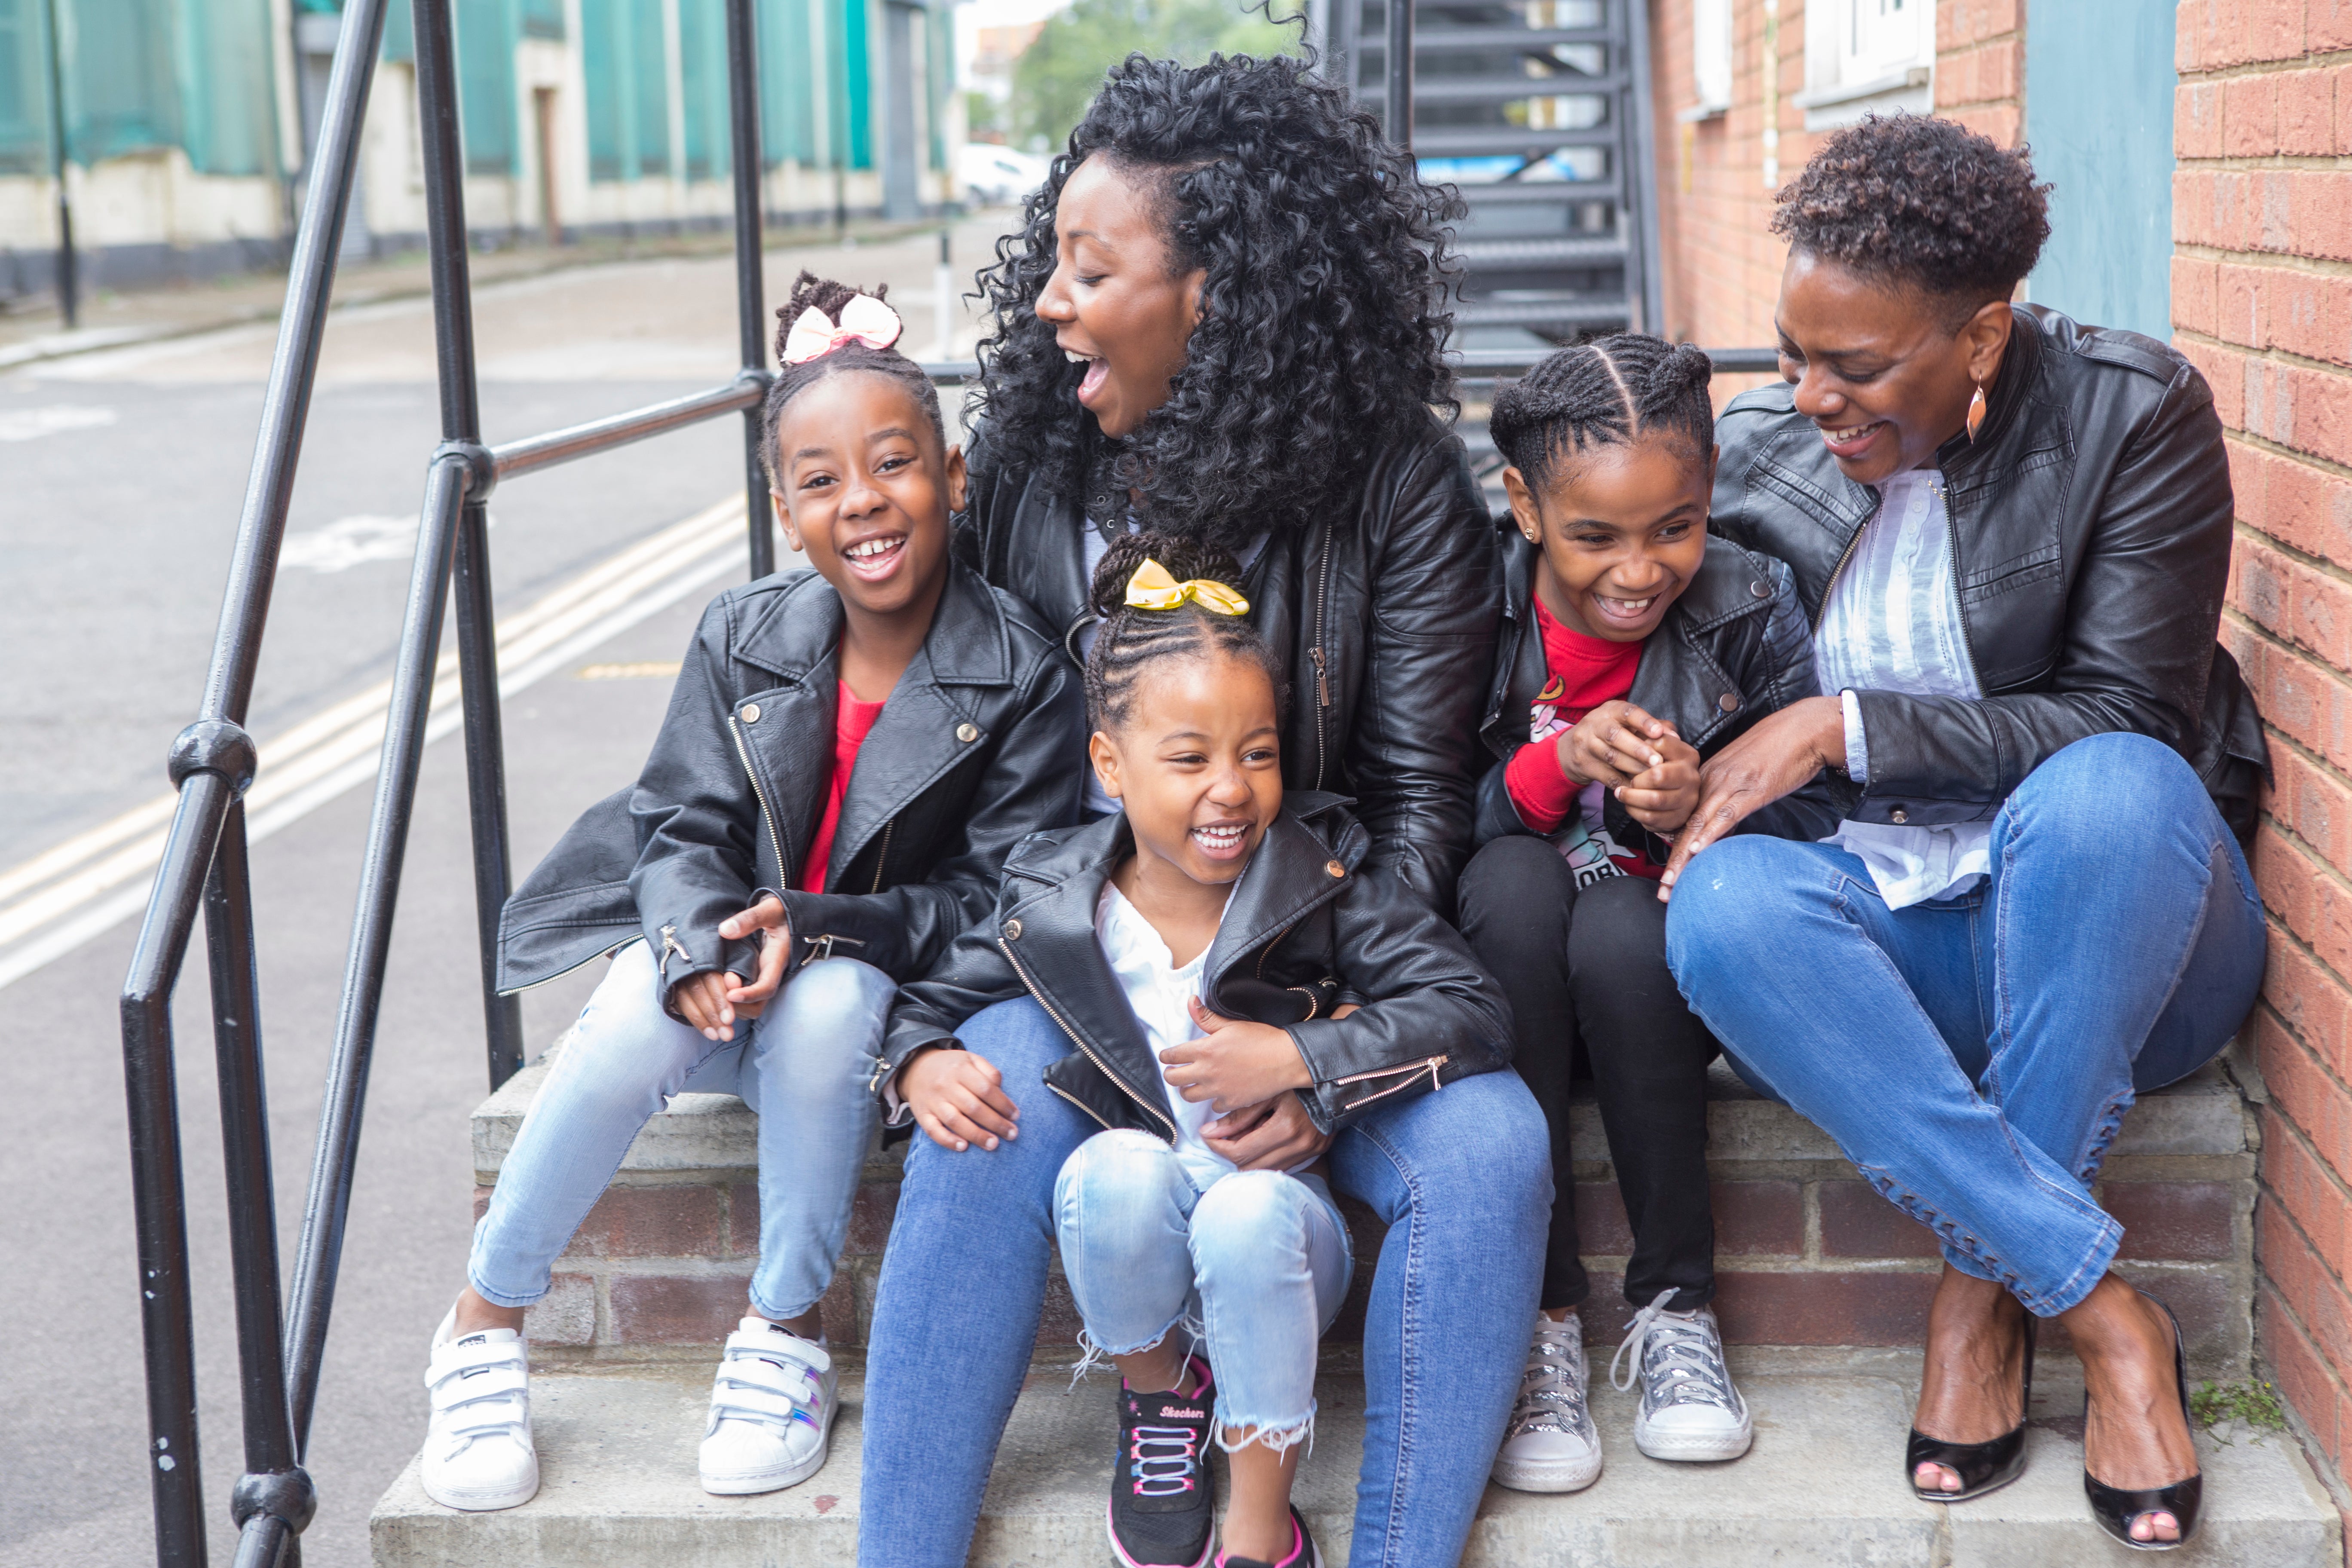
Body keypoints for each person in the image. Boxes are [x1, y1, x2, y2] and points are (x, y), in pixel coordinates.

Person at [860, 56, 1549, 1568]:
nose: (1051, 302)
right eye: (1054, 260)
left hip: (1313, 962)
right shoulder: (1033, 467)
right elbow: (1006, 791)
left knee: (1492, 1143)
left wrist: (1322, 1055)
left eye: (1091, 269)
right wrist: (927, 1025)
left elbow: (1416, 810)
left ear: (1213, 293)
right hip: (1088, 967)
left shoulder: (1394, 489)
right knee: (978, 1108)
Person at [1656, 116, 2269, 1551]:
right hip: (1902, 958)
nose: (1810, 396)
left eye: (1857, 366)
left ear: (1983, 334)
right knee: (1725, 907)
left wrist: (1847, 727)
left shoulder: (2132, 414)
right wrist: (1662, 757)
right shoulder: (1770, 454)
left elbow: (2132, 714)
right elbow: (1655, 651)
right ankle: (2100, 1308)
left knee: (2111, 787)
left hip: (2124, 940)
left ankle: (1976, 1303)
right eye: (1791, 354)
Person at [416, 274, 1082, 1512]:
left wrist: (819, 931)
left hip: (860, 1017)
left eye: (894, 464)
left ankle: (784, 1332)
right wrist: (691, 953)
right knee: (634, 1001)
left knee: (829, 1004)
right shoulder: (744, 634)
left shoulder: (1023, 674)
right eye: (820, 481)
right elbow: (681, 823)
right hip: (726, 993)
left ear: (953, 477)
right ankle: (485, 1318)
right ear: (785, 511)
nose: (862, 500)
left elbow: (997, 899)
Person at [883, 535, 1516, 1568]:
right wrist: (917, 1060)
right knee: (1110, 1170)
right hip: (1133, 1246)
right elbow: (928, 995)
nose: (1231, 788)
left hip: (1279, 1239)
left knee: (1245, 1212)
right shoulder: (1055, 901)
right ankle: (1161, 1398)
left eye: (1257, 753)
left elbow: (1472, 1005)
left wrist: (1304, 1058)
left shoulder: (1320, 878)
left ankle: (1262, 1524)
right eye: (1190, 760)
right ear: (1109, 766)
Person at [1453, 334, 1839, 1494]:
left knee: (1625, 922)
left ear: (1710, 487)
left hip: (1650, 986)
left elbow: (1821, 822)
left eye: (1675, 527)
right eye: (1595, 537)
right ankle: (1542, 1320)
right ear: (1525, 506)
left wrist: (1697, 808)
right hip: (1504, 976)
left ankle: (1678, 1309)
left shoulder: (1751, 599)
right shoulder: (1463, 601)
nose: (1639, 569)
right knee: (1515, 881)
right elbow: (1413, 814)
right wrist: (1554, 762)